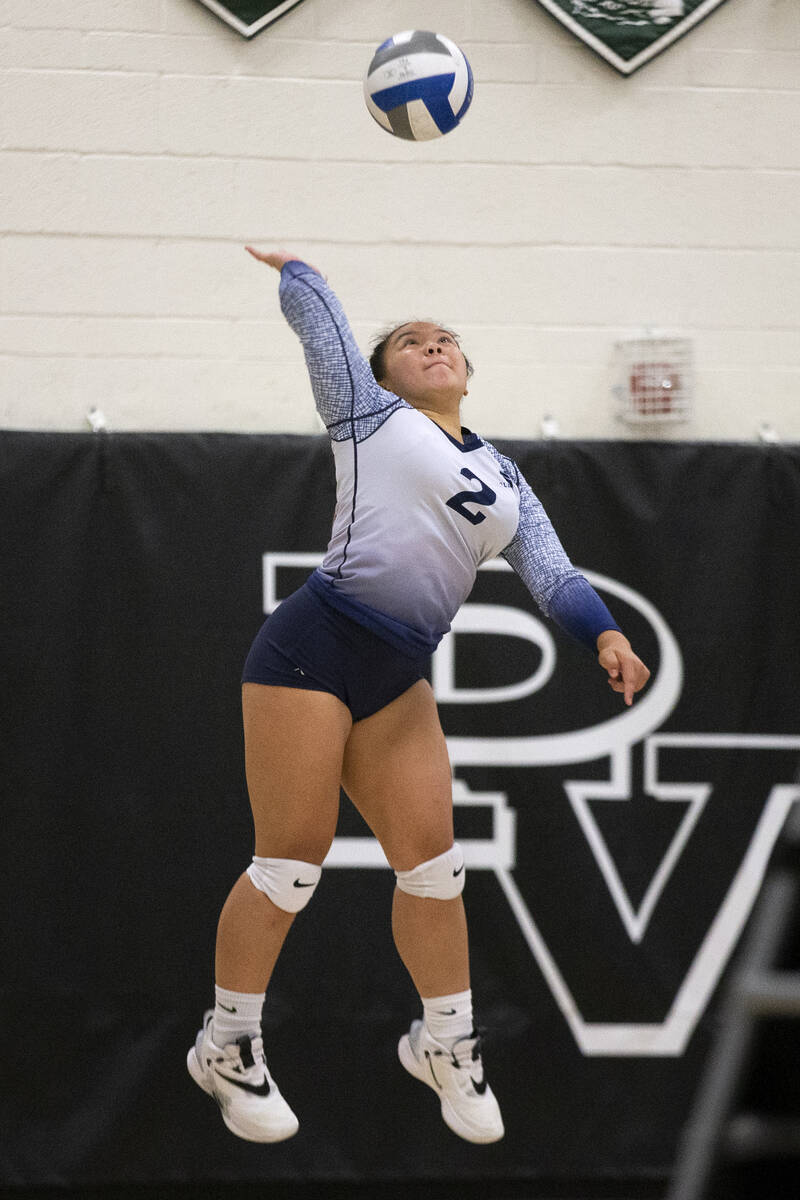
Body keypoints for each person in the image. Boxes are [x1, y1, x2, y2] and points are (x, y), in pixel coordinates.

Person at [187, 248, 650, 1146]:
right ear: (384, 372)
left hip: (396, 674)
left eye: (448, 340)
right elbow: (320, 333)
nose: (433, 345)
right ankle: (227, 1042)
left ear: (468, 373)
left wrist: (603, 631)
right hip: (313, 650)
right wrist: (301, 271)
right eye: (410, 340)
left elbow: (550, 570)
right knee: (290, 862)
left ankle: (445, 1045)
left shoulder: (507, 477)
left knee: (435, 865)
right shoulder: (369, 417)